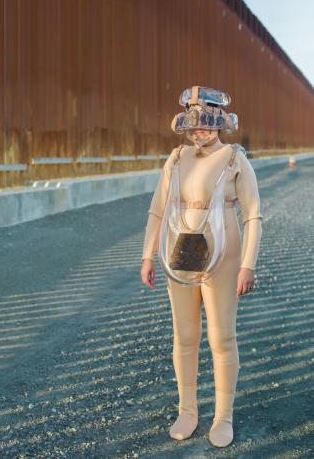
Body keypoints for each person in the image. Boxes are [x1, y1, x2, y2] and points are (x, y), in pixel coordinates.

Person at [140, 86, 263, 447]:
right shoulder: (176, 159)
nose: (200, 131)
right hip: (181, 250)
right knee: (185, 335)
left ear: (221, 122)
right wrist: (147, 255)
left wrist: (248, 264)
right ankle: (188, 409)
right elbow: (157, 209)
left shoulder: (234, 159)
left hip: (224, 253)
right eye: (193, 124)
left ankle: (223, 416)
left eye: (207, 123)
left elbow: (253, 215)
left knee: (221, 337)